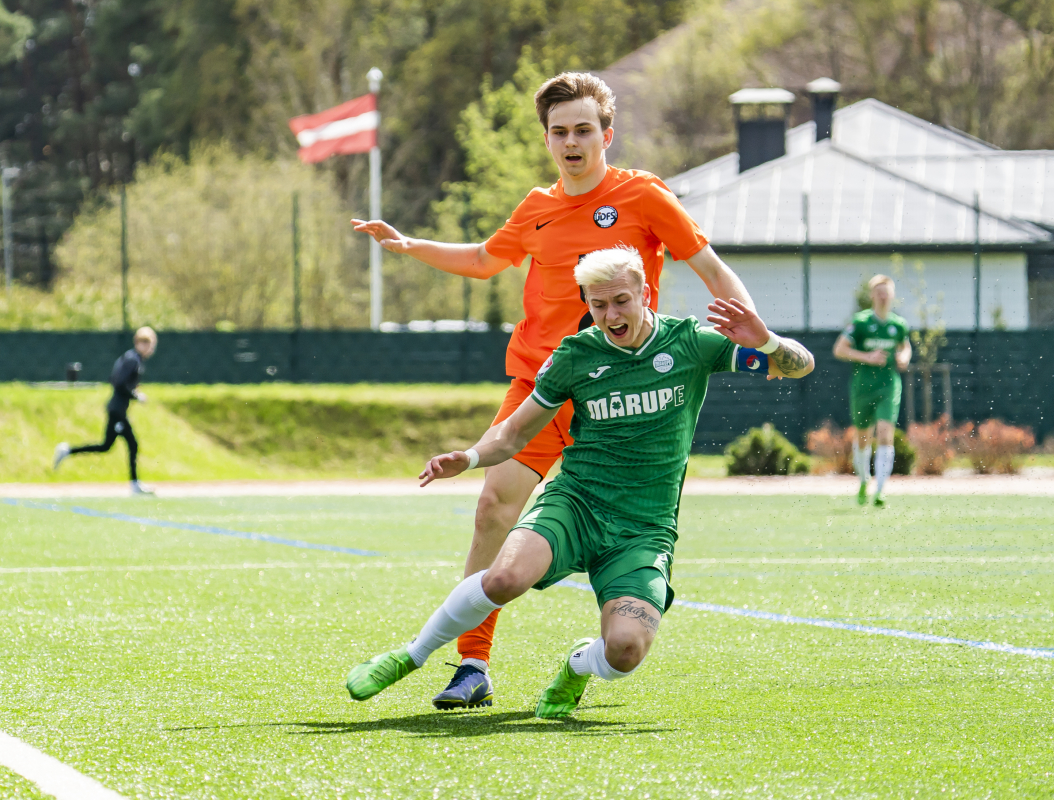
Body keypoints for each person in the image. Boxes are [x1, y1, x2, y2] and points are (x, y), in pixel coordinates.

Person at [352, 72, 763, 709]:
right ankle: (472, 665)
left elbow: (708, 267)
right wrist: (411, 246)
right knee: (493, 505)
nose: (571, 142)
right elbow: (486, 258)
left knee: (619, 521)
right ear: (546, 139)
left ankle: (611, 626)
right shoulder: (537, 207)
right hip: (542, 387)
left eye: (583, 129)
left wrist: (753, 331)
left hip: (618, 388)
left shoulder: (644, 197)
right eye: (559, 132)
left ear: (606, 133)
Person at [345, 246, 813, 719]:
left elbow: (802, 366)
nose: (610, 315)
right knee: (505, 577)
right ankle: (411, 655)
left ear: (645, 294)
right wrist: (467, 457)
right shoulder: (574, 355)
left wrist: (767, 341)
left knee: (625, 651)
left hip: (643, 529)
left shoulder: (691, 343)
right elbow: (513, 433)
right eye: (598, 304)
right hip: (577, 505)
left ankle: (577, 665)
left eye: (621, 301)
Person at [833, 275, 911, 506]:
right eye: (879, 292)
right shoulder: (860, 322)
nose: (883, 296)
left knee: (886, 434)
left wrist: (904, 357)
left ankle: (880, 490)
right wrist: (867, 356)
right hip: (863, 387)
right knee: (863, 437)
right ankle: (864, 480)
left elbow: (905, 346)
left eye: (886, 291)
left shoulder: (898, 325)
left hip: (888, 385)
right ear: (872, 295)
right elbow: (839, 349)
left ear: (893, 295)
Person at [53, 327, 158, 495]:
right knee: (129, 444)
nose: (151, 348)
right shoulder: (133, 360)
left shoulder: (132, 358)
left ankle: (67, 451)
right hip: (117, 410)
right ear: (140, 343)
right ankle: (134, 484)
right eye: (149, 344)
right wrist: (136, 395)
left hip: (119, 409)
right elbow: (119, 383)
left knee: (107, 446)